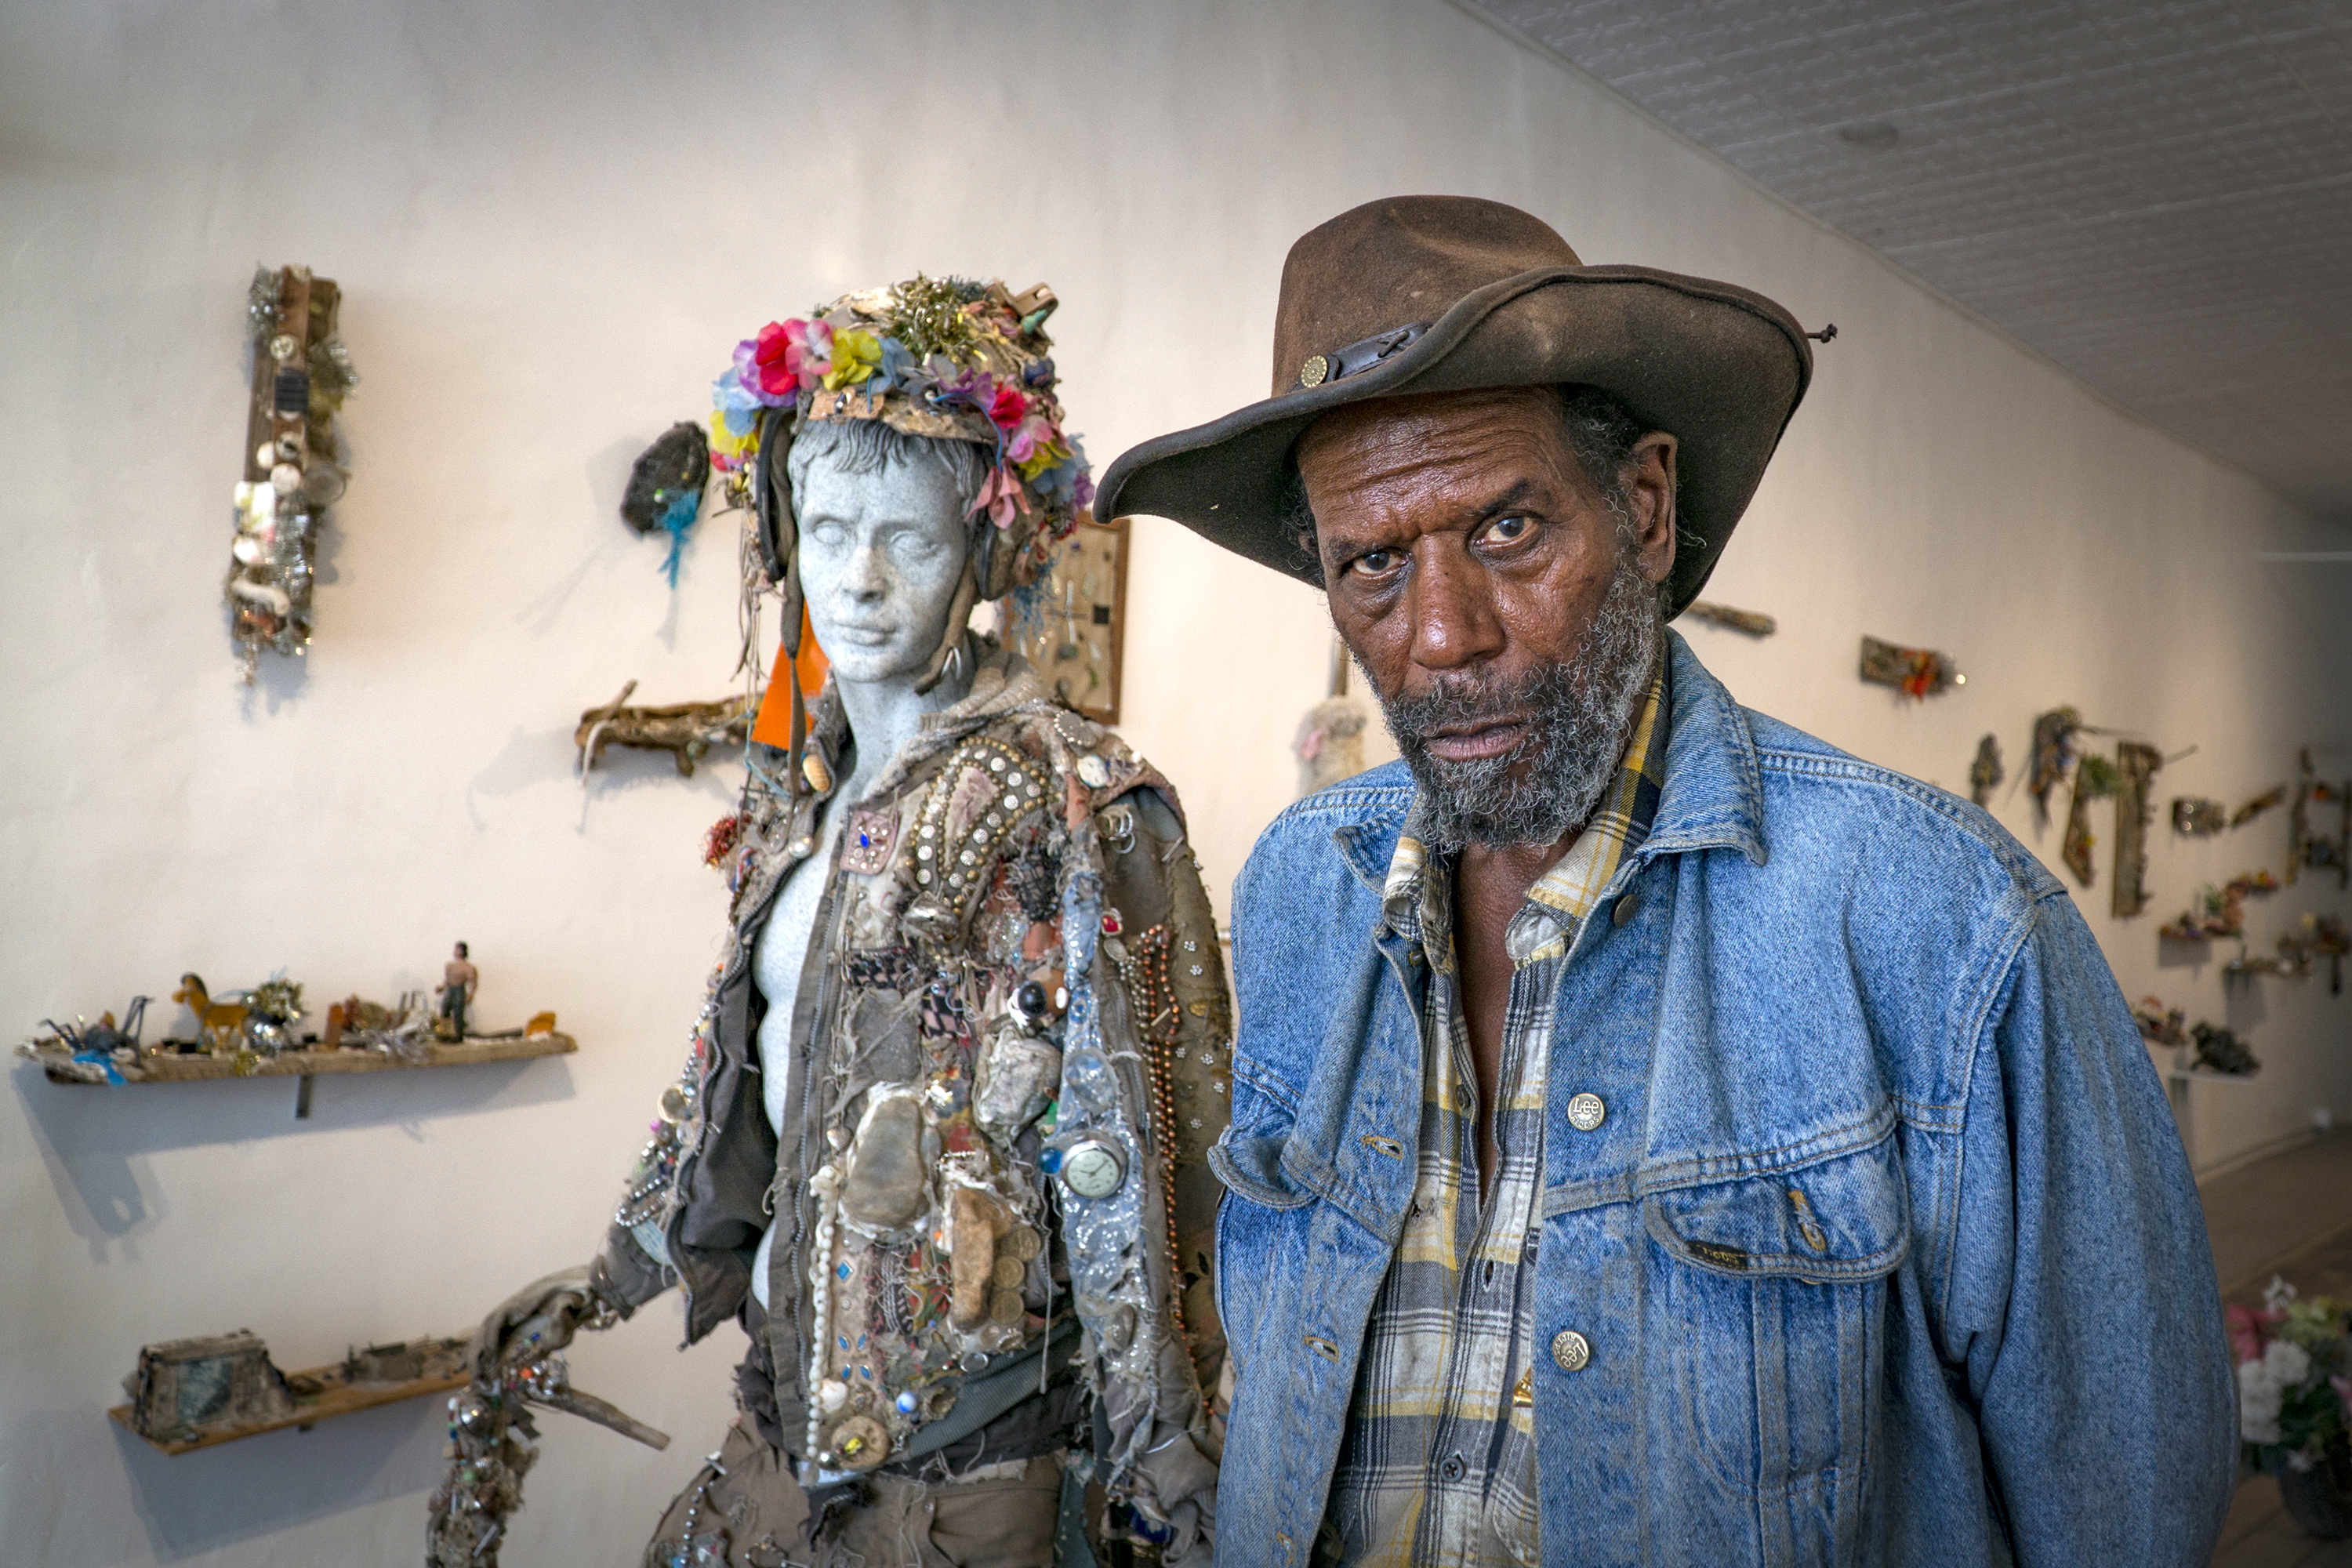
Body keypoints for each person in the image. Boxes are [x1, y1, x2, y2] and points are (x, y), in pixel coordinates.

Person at [1092, 196, 2235, 1566]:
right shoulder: (1303, 885)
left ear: (1642, 508)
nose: (1441, 636)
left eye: (1506, 530)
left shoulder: (1941, 921)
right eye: (1375, 564)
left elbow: (2125, 1508)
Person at [431, 277, 1227, 1568]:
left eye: (908, 539)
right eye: (830, 526)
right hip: (773, 1416)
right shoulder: (797, 793)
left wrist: (1168, 1467)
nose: (858, 579)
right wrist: (615, 1271)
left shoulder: (1073, 801)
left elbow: (1145, 1154)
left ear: (986, 549)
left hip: (967, 1470)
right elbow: (743, 1069)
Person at [436, 942, 477, 1040]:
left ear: (462, 951)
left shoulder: (468, 967)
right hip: (450, 990)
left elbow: (473, 982)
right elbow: (447, 980)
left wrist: (470, 994)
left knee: (458, 1013)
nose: (455, 951)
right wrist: (441, 987)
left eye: (457, 949)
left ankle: (458, 1036)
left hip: (459, 990)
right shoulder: (450, 966)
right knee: (445, 1011)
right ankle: (445, 1034)